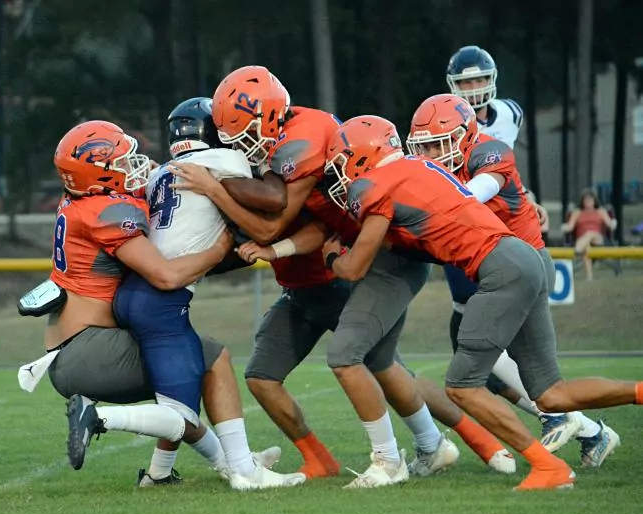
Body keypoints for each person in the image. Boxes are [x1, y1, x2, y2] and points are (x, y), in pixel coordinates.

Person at [170, 65, 512, 488]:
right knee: (269, 374)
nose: (239, 146)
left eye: (243, 135)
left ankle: (465, 444)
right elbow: (283, 231)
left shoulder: (304, 137)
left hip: (361, 264)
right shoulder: (264, 158)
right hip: (306, 279)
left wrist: (214, 186)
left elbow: (273, 222)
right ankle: (330, 457)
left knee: (382, 366)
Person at [324, 113, 643, 490]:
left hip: (500, 270)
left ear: (361, 155)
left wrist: (332, 257)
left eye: (341, 162)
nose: (338, 174)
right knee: (551, 394)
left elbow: (354, 268)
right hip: (525, 258)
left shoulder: (376, 184)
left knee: (462, 386)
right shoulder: (422, 168)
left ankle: (549, 468)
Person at [16, 119, 302, 491]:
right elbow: (166, 275)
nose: (133, 166)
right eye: (121, 162)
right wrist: (218, 248)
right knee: (208, 360)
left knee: (182, 384)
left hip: (76, 346)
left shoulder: (80, 201)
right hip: (90, 350)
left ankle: (200, 468)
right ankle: (240, 467)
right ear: (97, 174)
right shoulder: (106, 211)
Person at [406, 93, 621, 467]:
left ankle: (563, 423)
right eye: (423, 147)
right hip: (492, 271)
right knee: (491, 375)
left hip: (521, 267)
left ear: (463, 135)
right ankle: (590, 431)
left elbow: (471, 196)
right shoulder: (445, 166)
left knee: (477, 368)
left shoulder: (490, 151)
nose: (430, 155)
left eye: (437, 145)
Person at [116, 97, 304, 490]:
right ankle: (243, 472)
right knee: (179, 412)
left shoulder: (160, 173)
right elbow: (272, 201)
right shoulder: (225, 160)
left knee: (214, 360)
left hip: (134, 291)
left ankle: (176, 471)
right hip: (162, 299)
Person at [562, 188, 617, 281]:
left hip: (598, 239)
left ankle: (577, 251)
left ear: (594, 201)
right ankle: (589, 277)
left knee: (590, 233)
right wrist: (564, 227)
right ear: (582, 201)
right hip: (582, 240)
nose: (588, 202)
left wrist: (613, 223)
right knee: (586, 248)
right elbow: (570, 227)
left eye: (590, 200)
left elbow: (610, 225)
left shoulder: (601, 211)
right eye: (586, 200)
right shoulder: (577, 212)